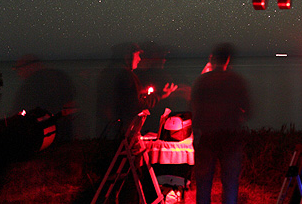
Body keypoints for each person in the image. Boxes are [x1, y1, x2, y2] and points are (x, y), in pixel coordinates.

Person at [190, 43, 252, 204]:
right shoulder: (237, 81)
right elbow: (249, 109)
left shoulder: (202, 81)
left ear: (212, 58)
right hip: (230, 138)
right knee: (230, 184)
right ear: (228, 60)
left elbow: (193, 109)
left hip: (207, 138)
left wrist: (196, 132)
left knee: (203, 185)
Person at [96, 42, 178, 137]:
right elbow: (135, 104)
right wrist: (159, 96)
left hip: (107, 130)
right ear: (128, 56)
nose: (139, 59)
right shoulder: (125, 75)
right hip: (120, 132)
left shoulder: (107, 72)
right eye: (137, 55)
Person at [12, 54, 77, 140]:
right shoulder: (59, 75)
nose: (19, 73)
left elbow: (19, 108)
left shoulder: (31, 84)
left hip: (43, 133)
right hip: (64, 129)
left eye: (19, 68)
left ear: (30, 66)